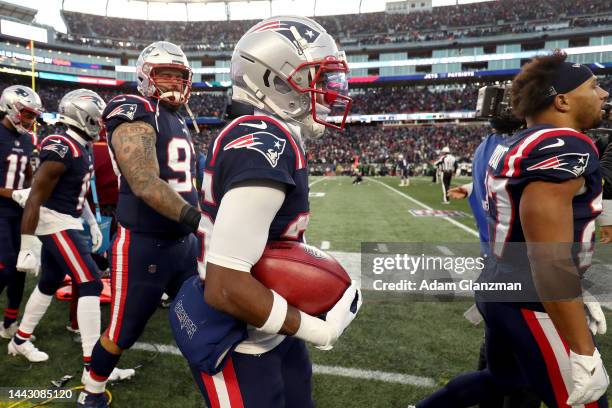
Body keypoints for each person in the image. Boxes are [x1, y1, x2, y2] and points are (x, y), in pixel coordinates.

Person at [169, 16, 361, 408]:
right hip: (240, 339)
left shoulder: (270, 132)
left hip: (268, 327)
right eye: (317, 79)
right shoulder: (263, 139)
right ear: (274, 80)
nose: (327, 94)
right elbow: (226, 285)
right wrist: (316, 329)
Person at [418, 51, 609, 407]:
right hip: (531, 298)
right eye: (594, 85)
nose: (603, 94)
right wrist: (582, 349)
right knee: (588, 398)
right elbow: (548, 262)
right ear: (562, 99)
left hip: (497, 284)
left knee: (503, 378)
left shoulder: (509, 143)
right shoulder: (563, 145)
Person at [78, 41, 200, 407]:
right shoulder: (134, 108)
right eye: (165, 75)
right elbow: (144, 182)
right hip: (144, 244)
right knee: (123, 331)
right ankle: (92, 392)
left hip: (185, 244)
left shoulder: (177, 118)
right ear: (146, 77)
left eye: (179, 77)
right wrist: (200, 221)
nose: (173, 84)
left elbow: (188, 182)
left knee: (204, 315)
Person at [0, 85, 42, 339]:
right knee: (5, 266)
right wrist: (12, 193)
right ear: (11, 107)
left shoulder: (27, 139)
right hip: (1, 210)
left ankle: (9, 323)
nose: (30, 120)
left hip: (19, 211)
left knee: (20, 268)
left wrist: (30, 191)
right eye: (26, 114)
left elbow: (28, 174)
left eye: (33, 115)